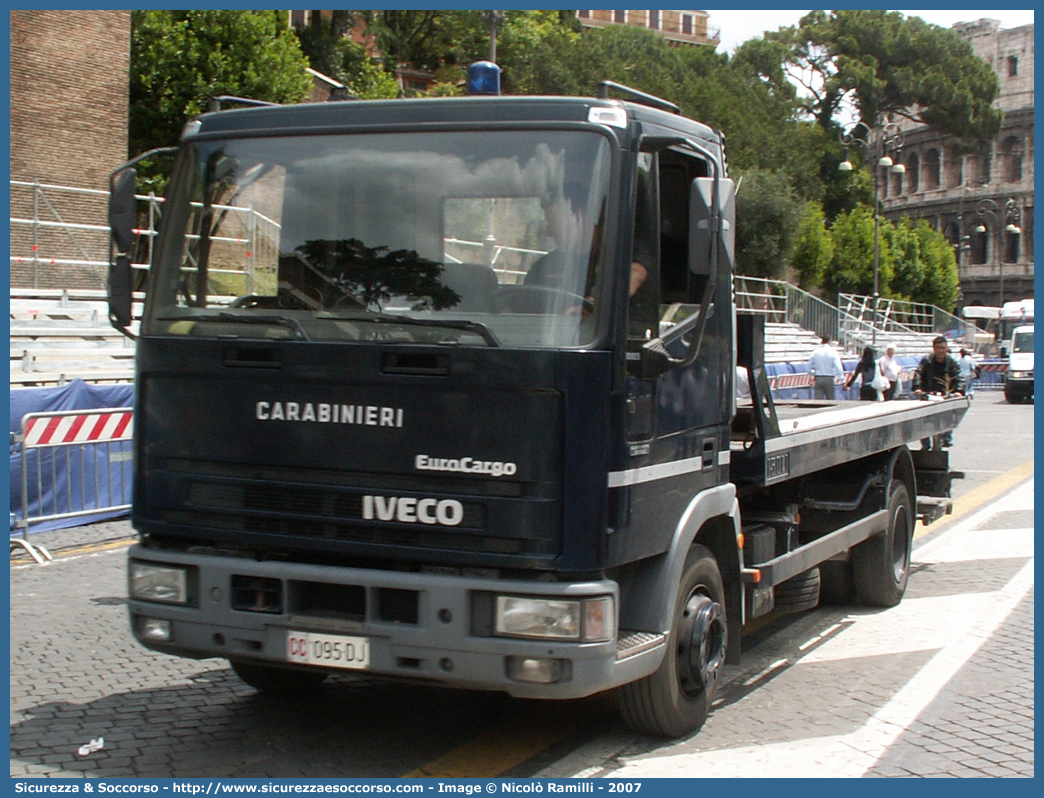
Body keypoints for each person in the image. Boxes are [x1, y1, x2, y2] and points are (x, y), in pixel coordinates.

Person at [914, 336, 965, 448]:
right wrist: (917, 388)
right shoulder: (927, 360)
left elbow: (959, 377)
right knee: (924, 421)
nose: (940, 350)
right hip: (928, 395)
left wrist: (958, 391)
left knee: (948, 418)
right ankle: (925, 444)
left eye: (943, 348)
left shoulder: (952, 362)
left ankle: (946, 438)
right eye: (938, 348)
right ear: (934, 349)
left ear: (946, 348)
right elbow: (918, 373)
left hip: (945, 396)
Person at [807, 335, 844, 400]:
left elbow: (809, 366)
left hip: (819, 377)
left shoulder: (815, 352)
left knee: (818, 401)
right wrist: (842, 380)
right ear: (830, 341)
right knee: (830, 400)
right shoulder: (833, 352)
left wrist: (812, 374)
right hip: (829, 378)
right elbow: (838, 367)